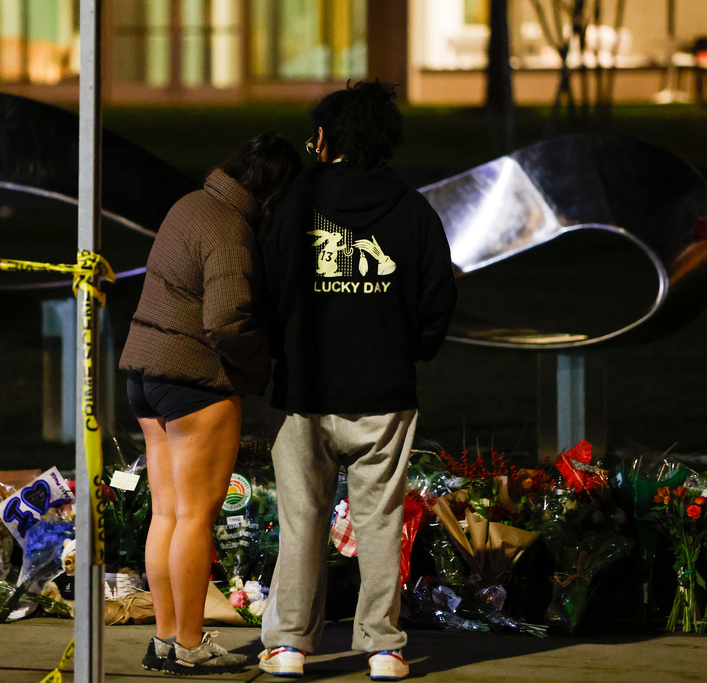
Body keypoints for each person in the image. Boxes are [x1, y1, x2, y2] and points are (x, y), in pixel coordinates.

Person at [256, 80, 458, 681]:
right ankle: (384, 648)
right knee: (380, 521)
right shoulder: (413, 208)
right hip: (385, 392)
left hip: (301, 395)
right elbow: (438, 298)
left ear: (324, 139)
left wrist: (278, 351)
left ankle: (289, 645)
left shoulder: (291, 204)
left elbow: (263, 291)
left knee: (302, 521)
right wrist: (409, 350)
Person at [118, 132, 301, 676]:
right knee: (196, 517)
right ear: (272, 190)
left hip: (145, 377)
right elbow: (226, 319)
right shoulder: (229, 229)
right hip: (196, 381)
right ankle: (192, 644)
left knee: (168, 514)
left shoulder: (190, 205)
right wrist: (258, 367)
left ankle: (167, 640)